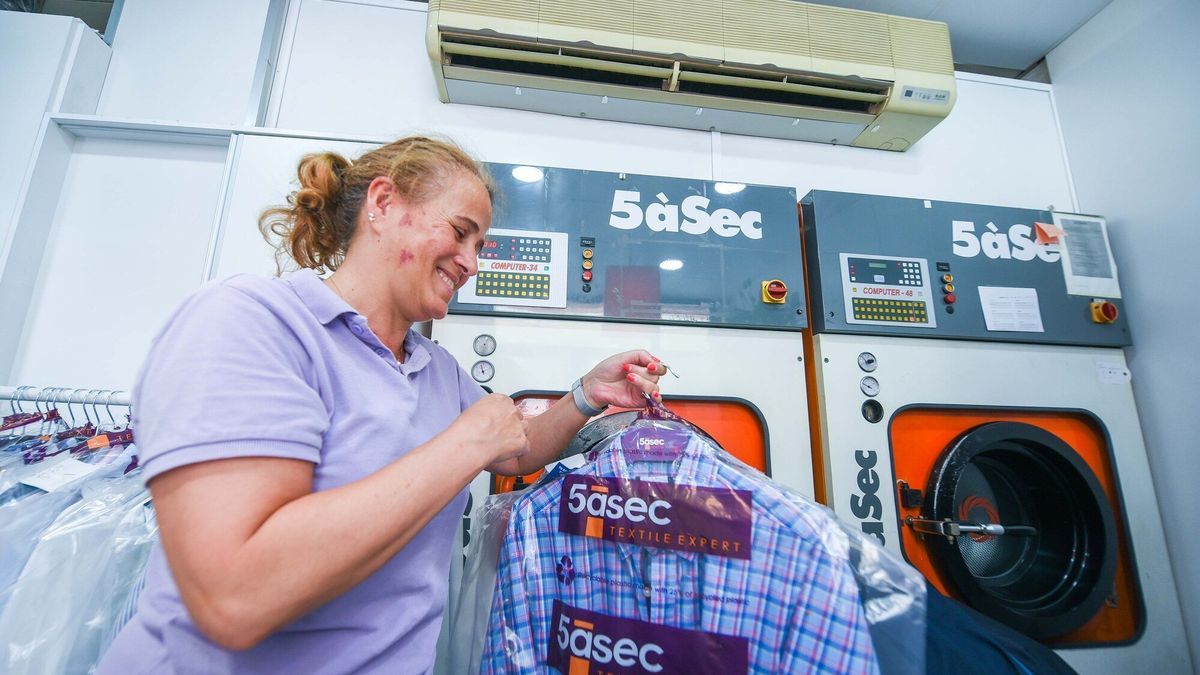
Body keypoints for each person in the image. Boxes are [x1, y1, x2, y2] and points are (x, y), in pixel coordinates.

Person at [98, 136, 667, 674]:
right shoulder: (252, 321)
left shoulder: (435, 370)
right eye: (462, 233)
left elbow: (514, 450)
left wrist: (585, 395)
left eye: (480, 247)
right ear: (384, 202)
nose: (471, 263)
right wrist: (466, 442)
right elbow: (234, 594)